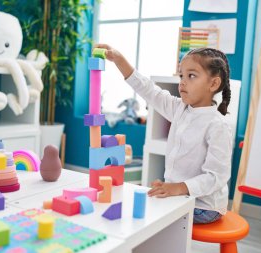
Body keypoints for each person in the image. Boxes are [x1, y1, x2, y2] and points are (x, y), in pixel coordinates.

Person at [95, 44, 232, 224]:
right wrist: (120, 60)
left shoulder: (217, 125)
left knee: (149, 215)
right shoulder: (179, 109)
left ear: (214, 83)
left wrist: (178, 188)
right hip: (180, 195)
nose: (182, 81)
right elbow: (150, 91)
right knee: (142, 208)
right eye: (182, 75)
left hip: (205, 206)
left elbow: (216, 177)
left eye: (191, 76)